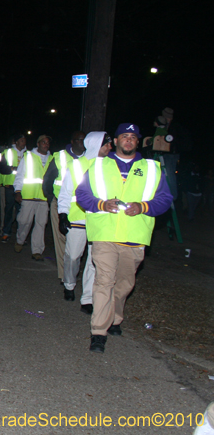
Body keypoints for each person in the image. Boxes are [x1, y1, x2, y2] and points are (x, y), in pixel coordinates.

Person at [75, 123, 173, 353]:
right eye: (123, 137)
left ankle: (115, 318)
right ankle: (98, 332)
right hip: (105, 234)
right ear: (115, 142)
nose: (128, 140)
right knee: (103, 282)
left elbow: (166, 199)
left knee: (124, 284)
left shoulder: (152, 168)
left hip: (134, 236)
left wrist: (143, 206)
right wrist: (101, 204)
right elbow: (82, 194)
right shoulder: (98, 165)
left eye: (132, 137)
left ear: (137, 142)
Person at [56, 131, 110, 309]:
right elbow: (65, 191)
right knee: (73, 256)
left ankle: (88, 298)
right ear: (96, 145)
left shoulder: (110, 166)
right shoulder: (76, 165)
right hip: (77, 217)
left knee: (95, 260)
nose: (110, 147)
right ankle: (69, 284)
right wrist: (62, 214)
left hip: (100, 219)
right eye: (106, 144)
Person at [42, 131, 86, 282]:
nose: (83, 142)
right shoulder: (60, 156)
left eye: (84, 140)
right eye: (80, 140)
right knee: (61, 239)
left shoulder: (91, 158)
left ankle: (74, 271)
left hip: (83, 207)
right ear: (72, 142)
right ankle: (64, 275)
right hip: (61, 204)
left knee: (78, 244)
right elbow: (48, 179)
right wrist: (51, 199)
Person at [13, 135, 51, 260]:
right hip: (28, 195)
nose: (46, 144)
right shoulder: (28, 156)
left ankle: (37, 250)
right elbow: (20, 175)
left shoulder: (52, 159)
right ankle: (20, 240)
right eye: (43, 142)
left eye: (47, 143)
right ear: (38, 144)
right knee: (24, 221)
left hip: (44, 198)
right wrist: (18, 191)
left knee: (41, 224)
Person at [0, 134, 27, 242]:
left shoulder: (28, 154)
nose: (24, 143)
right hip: (10, 186)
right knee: (9, 210)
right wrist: (14, 169)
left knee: (22, 212)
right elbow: (2, 168)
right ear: (16, 142)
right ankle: (6, 232)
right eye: (22, 140)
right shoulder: (8, 152)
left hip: (23, 187)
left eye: (25, 141)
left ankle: (21, 236)